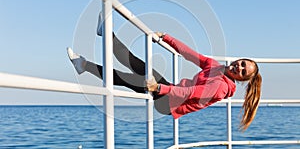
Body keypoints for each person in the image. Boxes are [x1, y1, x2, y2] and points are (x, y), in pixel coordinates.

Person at [67, 32, 262, 131]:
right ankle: (100, 44)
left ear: (240, 79)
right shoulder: (217, 67)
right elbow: (190, 54)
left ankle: (85, 64)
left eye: (243, 71)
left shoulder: (220, 87)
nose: (239, 67)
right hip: (170, 93)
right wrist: (167, 37)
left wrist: (158, 87)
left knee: (130, 76)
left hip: (169, 104)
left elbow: (190, 93)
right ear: (240, 59)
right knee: (136, 67)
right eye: (242, 63)